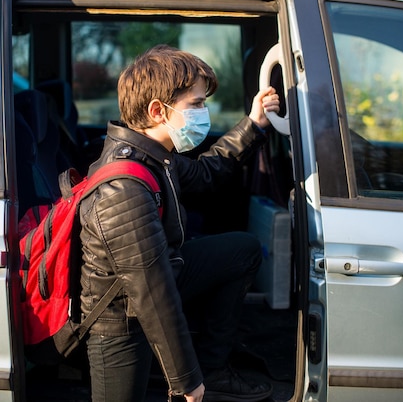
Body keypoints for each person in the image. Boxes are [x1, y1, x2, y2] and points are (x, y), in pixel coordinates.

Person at [78, 44, 280, 402]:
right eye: (197, 104)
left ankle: (214, 366)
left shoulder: (155, 155)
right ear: (158, 111)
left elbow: (204, 174)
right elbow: (152, 294)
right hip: (119, 321)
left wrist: (253, 125)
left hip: (158, 275)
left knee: (242, 250)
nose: (205, 112)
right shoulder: (124, 189)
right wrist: (186, 380)